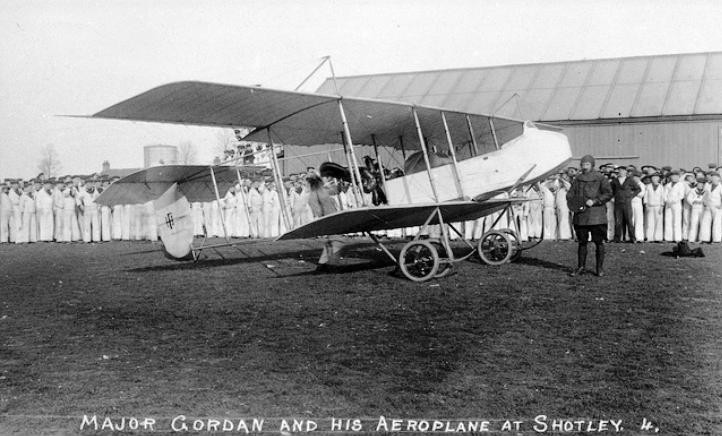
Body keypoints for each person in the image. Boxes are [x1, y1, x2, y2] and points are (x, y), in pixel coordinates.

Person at [566, 155, 613, 277]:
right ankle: (581, 267)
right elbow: (570, 194)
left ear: (592, 165)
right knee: (582, 242)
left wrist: (595, 201)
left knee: (599, 243)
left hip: (597, 216)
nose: (584, 167)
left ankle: (599, 268)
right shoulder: (577, 179)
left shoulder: (601, 178)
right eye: (582, 165)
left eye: (587, 164)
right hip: (581, 216)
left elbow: (608, 193)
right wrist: (576, 203)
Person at [306, 173, 341, 271]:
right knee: (337, 241)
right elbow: (336, 190)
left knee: (330, 242)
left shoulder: (314, 194)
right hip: (330, 218)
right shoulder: (320, 192)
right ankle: (332, 265)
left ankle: (322, 264)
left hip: (327, 218)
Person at [610, 166, 641, 242]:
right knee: (618, 221)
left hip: (627, 203)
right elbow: (610, 190)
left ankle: (632, 238)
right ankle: (617, 238)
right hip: (617, 203)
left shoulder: (630, 180)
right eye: (620, 171)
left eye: (623, 171)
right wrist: (612, 197)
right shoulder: (614, 181)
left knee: (629, 221)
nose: (621, 172)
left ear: (625, 172)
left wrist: (631, 196)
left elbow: (638, 189)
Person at [664, 170, 686, 242]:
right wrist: (667, 201)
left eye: (676, 176)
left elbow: (681, 195)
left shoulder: (681, 185)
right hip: (668, 204)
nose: (674, 177)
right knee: (668, 220)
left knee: (676, 220)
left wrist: (673, 201)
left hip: (676, 204)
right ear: (670, 177)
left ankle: (677, 238)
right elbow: (664, 195)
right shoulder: (668, 185)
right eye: (672, 176)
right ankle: (668, 238)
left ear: (678, 177)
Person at [699, 171, 721, 243]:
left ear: (718, 178)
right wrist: (704, 202)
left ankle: (717, 240)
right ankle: (705, 239)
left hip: (717, 207)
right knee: (705, 222)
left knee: (717, 223)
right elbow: (705, 195)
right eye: (712, 177)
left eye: (715, 177)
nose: (714, 179)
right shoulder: (707, 186)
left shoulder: (721, 187)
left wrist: (721, 205)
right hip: (708, 207)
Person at [643, 173, 665, 241]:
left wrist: (662, 206)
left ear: (658, 179)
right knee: (650, 222)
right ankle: (650, 237)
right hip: (650, 206)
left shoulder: (661, 187)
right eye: (653, 178)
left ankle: (658, 238)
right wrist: (646, 204)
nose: (654, 179)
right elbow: (646, 196)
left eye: (656, 177)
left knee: (658, 222)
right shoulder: (648, 186)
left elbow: (663, 197)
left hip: (658, 206)